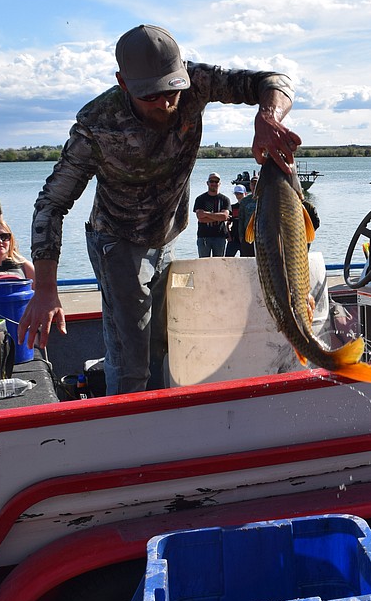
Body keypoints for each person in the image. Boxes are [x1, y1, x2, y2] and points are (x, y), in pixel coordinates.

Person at [20, 24, 298, 395]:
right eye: (150, 96)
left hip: (167, 236)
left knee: (167, 340)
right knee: (131, 355)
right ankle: (128, 431)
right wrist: (45, 288)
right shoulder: (97, 125)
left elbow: (274, 80)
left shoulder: (197, 82)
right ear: (123, 83)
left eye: (172, 91)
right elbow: (51, 203)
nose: (166, 103)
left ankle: (162, 411)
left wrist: (268, 117)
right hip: (116, 242)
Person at [194, 172, 231, 257]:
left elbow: (224, 216)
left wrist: (206, 214)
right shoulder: (200, 199)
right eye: (211, 181)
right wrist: (218, 217)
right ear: (207, 183)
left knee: (218, 263)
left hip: (219, 237)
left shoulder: (225, 199)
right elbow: (200, 217)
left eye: (216, 181)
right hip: (203, 236)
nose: (214, 183)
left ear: (219, 183)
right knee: (203, 263)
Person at [238, 174, 259, 258]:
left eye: (257, 183)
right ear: (250, 185)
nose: (254, 186)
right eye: (253, 184)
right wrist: (241, 237)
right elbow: (241, 219)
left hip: (261, 237)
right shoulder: (245, 201)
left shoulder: (266, 199)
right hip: (247, 237)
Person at [225, 184, 246, 257]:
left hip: (245, 239)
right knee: (227, 259)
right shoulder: (232, 207)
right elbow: (227, 223)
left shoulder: (248, 207)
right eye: (237, 193)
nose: (238, 195)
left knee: (245, 260)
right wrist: (228, 236)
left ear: (245, 193)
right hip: (233, 238)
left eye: (240, 193)